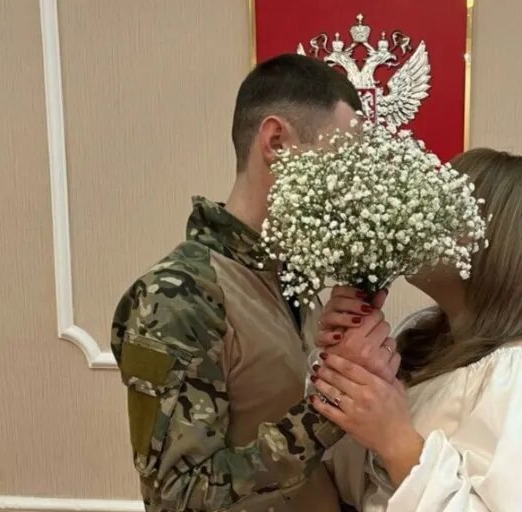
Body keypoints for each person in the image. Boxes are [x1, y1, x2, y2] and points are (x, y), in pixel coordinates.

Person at [110, 54, 399, 512]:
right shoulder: (177, 295)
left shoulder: (294, 279)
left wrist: (333, 355)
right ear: (276, 142)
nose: (351, 186)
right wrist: (331, 405)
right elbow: (177, 500)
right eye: (340, 161)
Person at [312, 148, 522, 511]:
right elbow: (351, 485)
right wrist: (348, 366)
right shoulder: (427, 348)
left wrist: (396, 441)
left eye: (442, 211)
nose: (417, 224)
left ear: (501, 243)